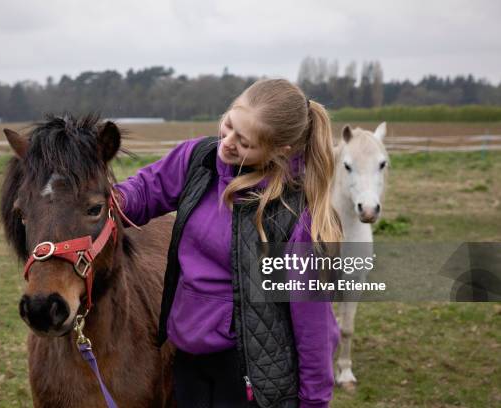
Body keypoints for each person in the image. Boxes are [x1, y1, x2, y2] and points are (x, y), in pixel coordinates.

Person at [114, 78, 341, 408]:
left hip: (251, 375)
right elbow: (147, 190)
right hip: (188, 357)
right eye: (229, 125)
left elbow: (315, 324)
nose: (228, 142)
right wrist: (101, 202)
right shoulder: (199, 160)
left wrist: (314, 401)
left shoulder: (296, 217)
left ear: (280, 150)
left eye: (245, 142)